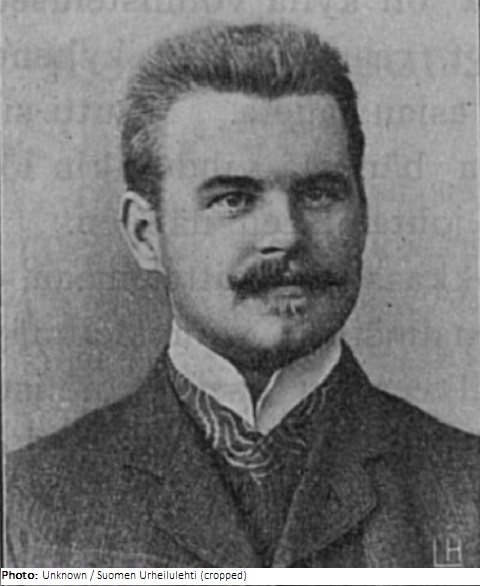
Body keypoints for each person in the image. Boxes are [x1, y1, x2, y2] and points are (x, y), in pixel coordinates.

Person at [6, 23, 479, 568]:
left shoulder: (465, 489)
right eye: (234, 199)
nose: (287, 235)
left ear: (364, 213)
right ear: (145, 233)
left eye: (320, 194)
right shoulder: (31, 501)